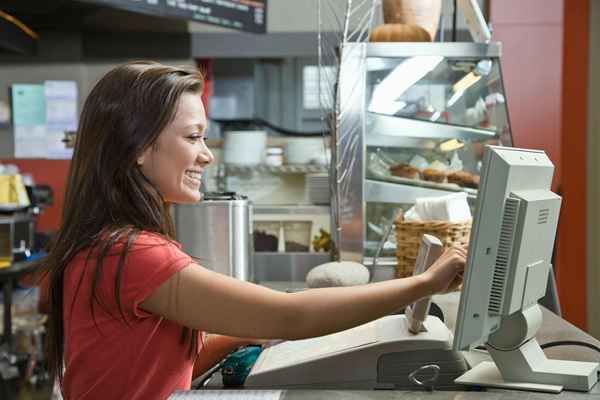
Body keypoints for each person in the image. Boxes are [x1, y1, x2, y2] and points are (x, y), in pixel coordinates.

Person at [42, 61, 467, 400]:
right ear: (137, 149)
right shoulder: (132, 253)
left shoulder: (108, 245)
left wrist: (248, 327)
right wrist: (423, 283)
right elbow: (289, 313)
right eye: (193, 137)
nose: (206, 155)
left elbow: (168, 363)